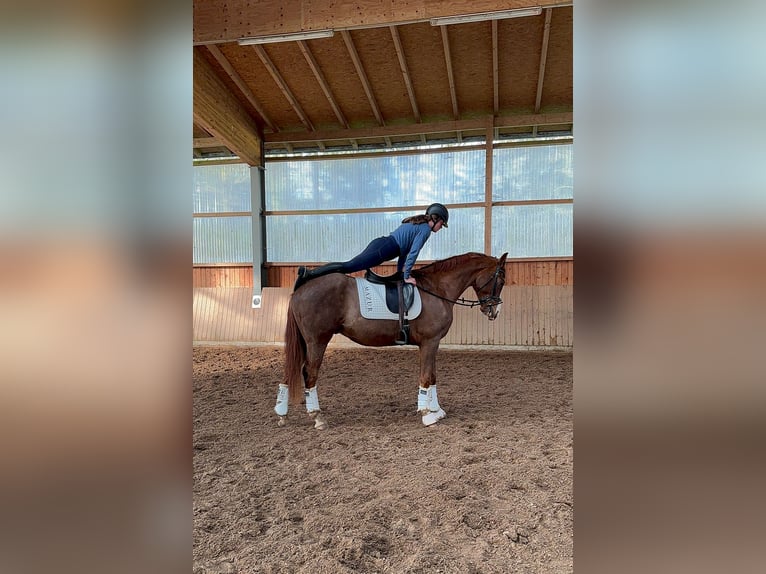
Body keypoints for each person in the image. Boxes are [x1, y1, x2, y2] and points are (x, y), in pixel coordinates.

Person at [294, 202, 449, 291]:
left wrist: (400, 273)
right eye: (442, 224)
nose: (441, 227)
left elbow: (404, 253)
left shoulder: (419, 225)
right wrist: (407, 276)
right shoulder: (425, 230)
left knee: (348, 265)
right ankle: (310, 274)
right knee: (348, 266)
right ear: (436, 219)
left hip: (383, 245)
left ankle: (312, 274)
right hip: (384, 249)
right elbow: (413, 253)